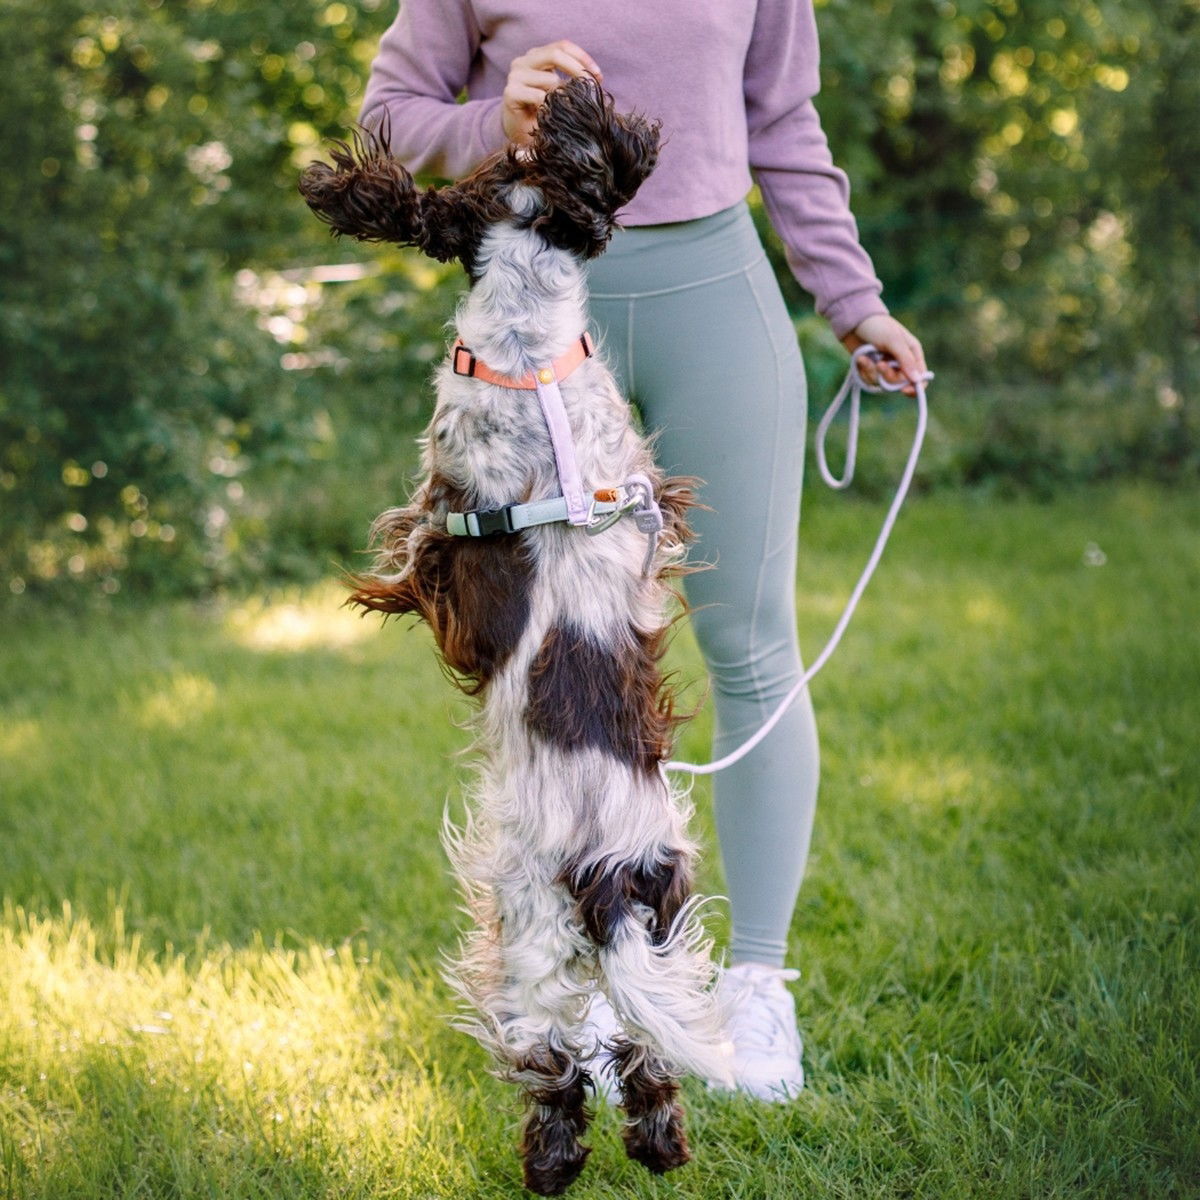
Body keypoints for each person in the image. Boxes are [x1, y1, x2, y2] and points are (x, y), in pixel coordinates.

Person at [358, 0, 927, 1102]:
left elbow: (785, 124)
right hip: (543, 322)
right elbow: (390, 116)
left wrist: (853, 302)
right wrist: (497, 119)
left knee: (756, 646)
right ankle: (606, 995)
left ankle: (757, 980)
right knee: (565, 680)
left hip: (720, 296)